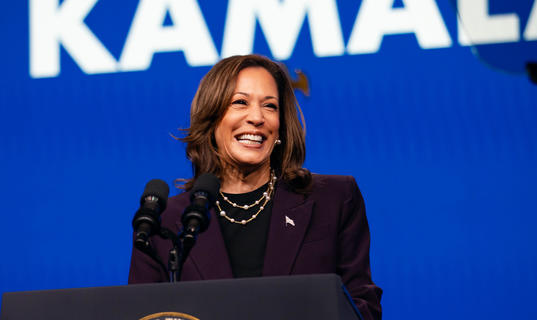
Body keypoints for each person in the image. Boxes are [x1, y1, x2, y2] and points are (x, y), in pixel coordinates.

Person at [128, 54, 382, 319]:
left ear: (281, 126)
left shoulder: (333, 199)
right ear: (212, 118)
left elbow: (363, 306)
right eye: (240, 102)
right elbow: (141, 314)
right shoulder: (165, 222)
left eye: (270, 106)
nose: (257, 117)